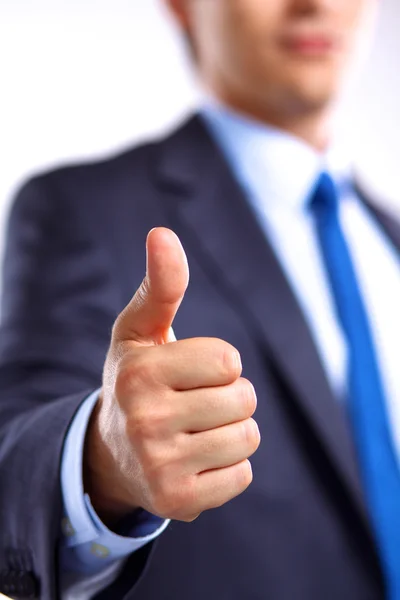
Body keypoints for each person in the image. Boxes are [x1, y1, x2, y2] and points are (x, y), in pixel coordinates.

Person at [0, 0, 398, 598]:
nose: (316, 5)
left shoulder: (389, 239)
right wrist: (101, 462)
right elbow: (12, 460)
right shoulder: (82, 210)